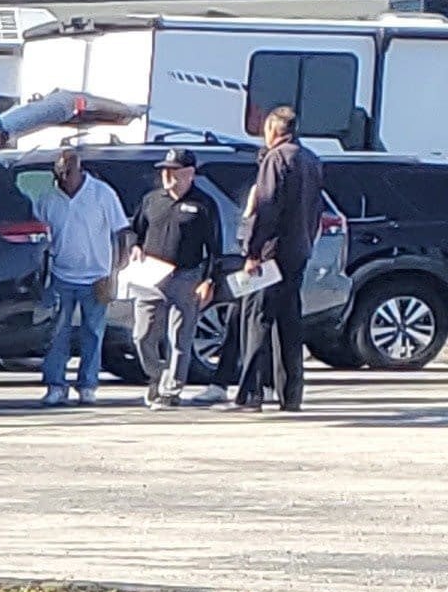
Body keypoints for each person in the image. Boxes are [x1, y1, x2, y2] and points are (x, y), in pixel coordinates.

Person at [233, 104, 326, 414]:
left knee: (257, 318)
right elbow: (315, 210)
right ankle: (291, 394)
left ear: (273, 129)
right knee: (289, 321)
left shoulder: (276, 158)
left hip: (272, 253)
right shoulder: (311, 159)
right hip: (299, 251)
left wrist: (252, 251)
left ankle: (251, 393)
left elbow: (267, 205)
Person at [123, 152, 224, 407]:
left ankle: (171, 390)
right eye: (165, 170)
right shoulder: (152, 200)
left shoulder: (204, 204)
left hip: (185, 276)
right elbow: (135, 230)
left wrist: (208, 280)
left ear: (189, 173)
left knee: (179, 337)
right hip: (151, 276)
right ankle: (157, 375)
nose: (167, 175)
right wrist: (135, 247)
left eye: (174, 170)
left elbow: (214, 248)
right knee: (142, 336)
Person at [36, 144, 133, 405]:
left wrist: (116, 269)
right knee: (58, 333)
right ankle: (56, 384)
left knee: (93, 332)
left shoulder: (102, 194)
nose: (65, 177)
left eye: (69, 171)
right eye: (60, 172)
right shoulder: (47, 200)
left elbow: (121, 231)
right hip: (61, 275)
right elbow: (41, 239)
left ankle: (88, 384)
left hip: (96, 276)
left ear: (79, 169)